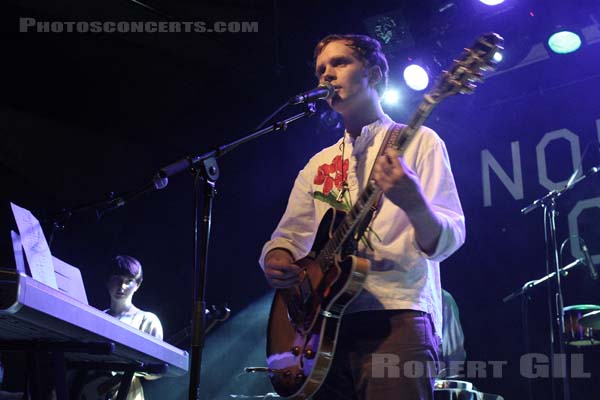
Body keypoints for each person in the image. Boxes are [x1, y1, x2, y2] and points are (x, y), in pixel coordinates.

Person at [260, 33, 465, 399]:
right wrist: (277, 257)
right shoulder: (317, 164)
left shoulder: (421, 142)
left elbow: (449, 239)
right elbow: (289, 236)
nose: (326, 75)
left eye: (339, 63)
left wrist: (414, 203)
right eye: (320, 69)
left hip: (397, 316)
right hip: (322, 327)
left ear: (373, 74)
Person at [72, 255, 163, 400]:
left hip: (127, 392)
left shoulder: (147, 320)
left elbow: (156, 371)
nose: (122, 286)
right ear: (107, 281)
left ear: (138, 285)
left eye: (129, 281)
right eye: (117, 279)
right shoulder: (96, 318)